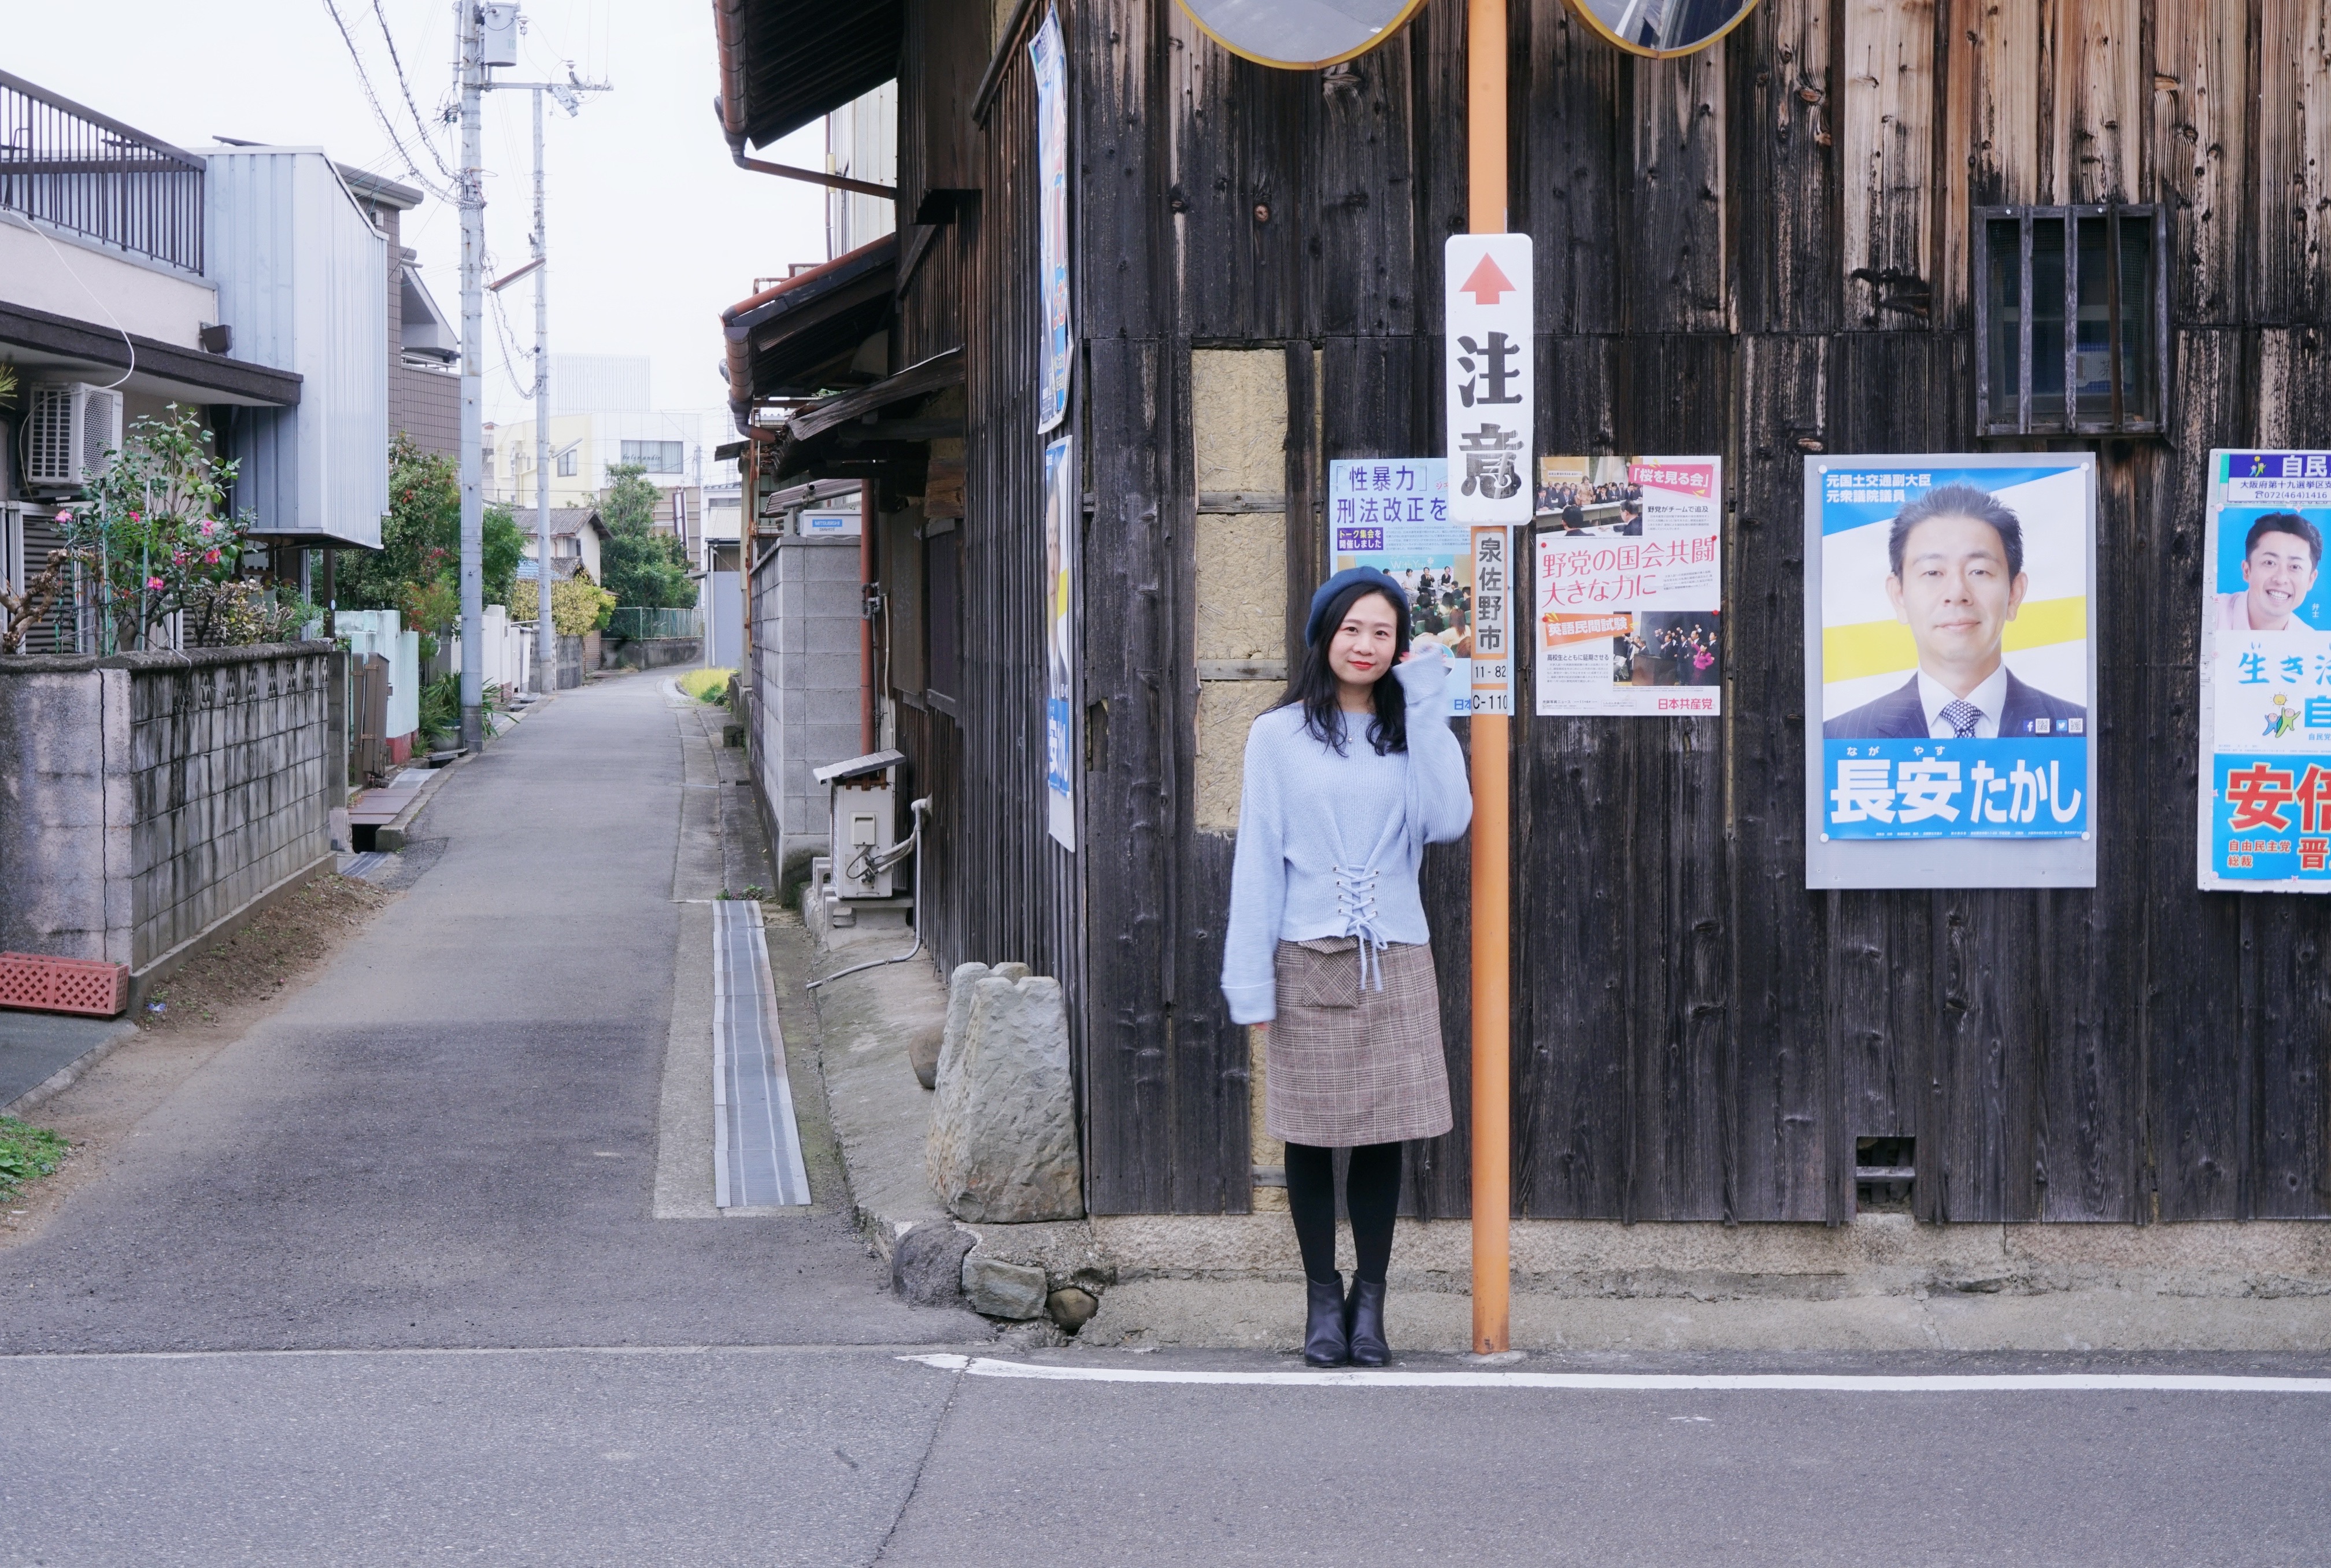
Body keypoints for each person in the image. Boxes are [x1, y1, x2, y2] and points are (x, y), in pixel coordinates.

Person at [1222, 565, 1472, 1369]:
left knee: (1382, 1137)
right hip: (1309, 956)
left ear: (1399, 647)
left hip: (1395, 954)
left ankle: (1372, 1304)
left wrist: (1430, 699)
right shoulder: (1278, 735)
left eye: (1383, 633)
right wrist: (1250, 979)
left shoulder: (1412, 730)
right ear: (1324, 635)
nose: (1365, 645)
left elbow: (1448, 821)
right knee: (1309, 1135)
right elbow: (1258, 861)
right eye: (1352, 629)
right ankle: (1321, 1301)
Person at [1824, 483, 2086, 739]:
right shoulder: (1843, 737)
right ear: (1899, 595)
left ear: (2014, 593)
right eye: (1933, 572)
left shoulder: (2079, 730)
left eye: (1979, 571)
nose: (1957, 594)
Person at [2216, 513, 2323, 631]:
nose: (2281, 579)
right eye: (2270, 563)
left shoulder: (2311, 643)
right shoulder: (2210, 614)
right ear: (2247, 571)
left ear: (2311, 580)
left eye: (2295, 567)